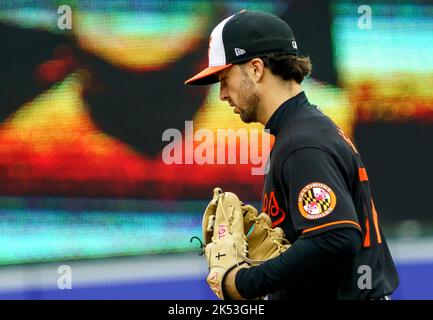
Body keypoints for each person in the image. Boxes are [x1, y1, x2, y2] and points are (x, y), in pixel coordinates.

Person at [185, 10, 399, 300]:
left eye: (224, 78)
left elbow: (336, 238)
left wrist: (246, 282)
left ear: (256, 69)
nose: (222, 94)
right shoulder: (304, 129)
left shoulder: (302, 142)